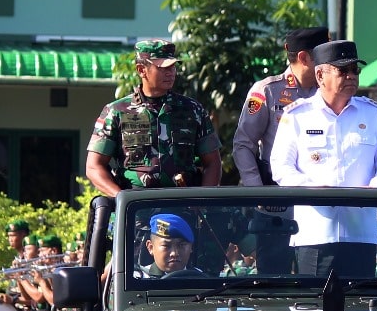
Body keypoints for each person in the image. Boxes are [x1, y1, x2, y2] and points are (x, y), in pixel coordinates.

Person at [269, 40, 377, 277]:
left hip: (360, 234)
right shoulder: (297, 116)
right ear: (320, 75)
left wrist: (375, 189)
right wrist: (313, 190)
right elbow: (281, 167)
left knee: (359, 310)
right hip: (315, 234)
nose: (351, 76)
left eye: (355, 70)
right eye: (343, 70)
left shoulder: (372, 114)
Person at [86, 39, 222, 197]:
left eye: (172, 66)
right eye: (162, 67)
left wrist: (202, 200)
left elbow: (213, 162)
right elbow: (94, 166)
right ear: (141, 69)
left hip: (183, 207)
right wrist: (122, 199)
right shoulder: (116, 111)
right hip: (135, 211)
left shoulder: (193, 110)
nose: (170, 72)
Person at [233, 27, 329, 187]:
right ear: (304, 58)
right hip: (276, 196)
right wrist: (256, 190)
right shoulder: (267, 90)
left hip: (322, 193)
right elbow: (243, 144)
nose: (329, 61)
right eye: (324, 56)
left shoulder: (329, 90)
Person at [135, 213, 202, 278]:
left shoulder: (199, 277)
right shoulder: (139, 278)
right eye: (166, 246)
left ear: (191, 247)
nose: (174, 253)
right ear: (151, 247)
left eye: (181, 245)